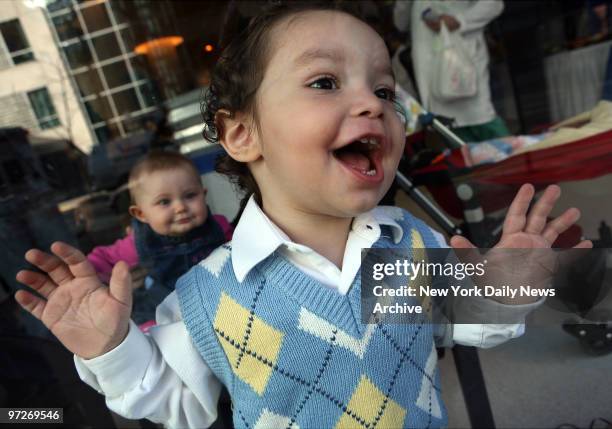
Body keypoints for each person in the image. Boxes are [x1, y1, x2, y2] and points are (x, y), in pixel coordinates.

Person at [14, 3, 590, 428]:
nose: (372, 103)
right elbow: (174, 400)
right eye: (325, 82)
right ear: (242, 134)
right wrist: (110, 348)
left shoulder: (403, 251)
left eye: (384, 91)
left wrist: (503, 290)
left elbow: (463, 324)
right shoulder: (210, 293)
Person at [86, 151, 233, 324]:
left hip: (222, 302)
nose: (180, 207)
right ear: (141, 214)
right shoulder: (142, 242)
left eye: (190, 196)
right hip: (170, 312)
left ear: (203, 194)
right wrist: (86, 272)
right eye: (164, 202)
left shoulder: (218, 226)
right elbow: (105, 257)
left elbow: (242, 251)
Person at [393, 0, 510, 142]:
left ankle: (513, 160)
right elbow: (400, 22)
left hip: (463, 62)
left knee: (483, 120)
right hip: (430, 72)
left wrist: (459, 20)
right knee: (454, 136)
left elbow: (494, 4)